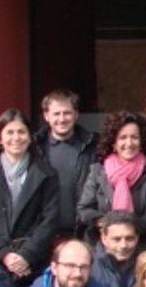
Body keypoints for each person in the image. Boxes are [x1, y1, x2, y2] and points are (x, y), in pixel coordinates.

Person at [0, 108, 61, 287]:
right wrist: (4, 255)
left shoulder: (46, 174)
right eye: (9, 132)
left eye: (21, 132)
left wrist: (26, 255)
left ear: (30, 136)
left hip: (33, 262)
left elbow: (50, 220)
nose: (16, 138)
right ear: (0, 138)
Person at [77, 111, 146, 245]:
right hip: (101, 244)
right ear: (113, 143)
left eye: (134, 137)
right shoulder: (98, 171)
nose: (129, 143)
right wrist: (107, 223)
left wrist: (128, 228)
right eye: (123, 137)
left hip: (140, 244)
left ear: (142, 142)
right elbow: (84, 209)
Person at [34, 89, 98, 239]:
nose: (62, 119)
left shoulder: (93, 146)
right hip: (43, 234)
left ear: (76, 114)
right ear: (46, 116)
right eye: (56, 114)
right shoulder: (34, 147)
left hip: (83, 232)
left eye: (67, 113)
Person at [90, 210, 141, 287]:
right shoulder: (88, 265)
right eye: (117, 239)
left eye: (129, 238)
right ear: (104, 238)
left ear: (137, 238)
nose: (123, 245)